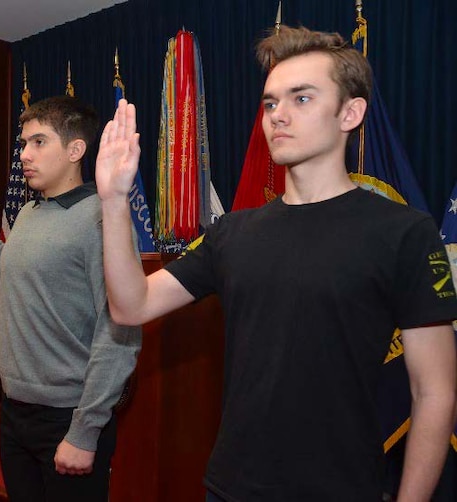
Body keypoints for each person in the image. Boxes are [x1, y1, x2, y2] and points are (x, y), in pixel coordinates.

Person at [95, 25, 457, 501]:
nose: (277, 117)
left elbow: (434, 394)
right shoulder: (233, 233)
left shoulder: (405, 232)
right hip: (231, 488)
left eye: (301, 99)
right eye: (270, 103)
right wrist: (115, 199)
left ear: (351, 112)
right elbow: (130, 305)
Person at [0, 95, 141, 502]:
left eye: (38, 142)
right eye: (23, 144)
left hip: (68, 416)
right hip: (14, 410)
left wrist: (85, 430)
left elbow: (120, 333)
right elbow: (9, 271)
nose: (25, 154)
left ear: (76, 149)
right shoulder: (29, 214)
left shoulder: (101, 217)